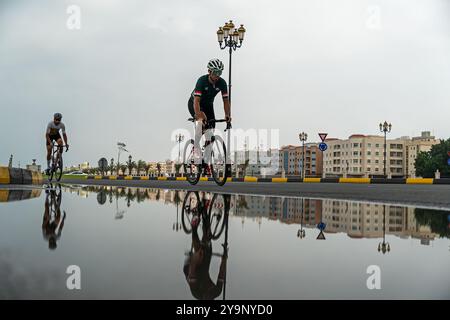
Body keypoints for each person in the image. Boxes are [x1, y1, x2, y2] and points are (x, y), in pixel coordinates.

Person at [188, 59, 231, 168]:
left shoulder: (222, 83)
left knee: (210, 132)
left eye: (220, 72)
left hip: (208, 105)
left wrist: (227, 115)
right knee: (201, 121)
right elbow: (196, 101)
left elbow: (225, 101)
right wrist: (198, 116)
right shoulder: (201, 81)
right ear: (209, 71)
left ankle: (206, 160)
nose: (217, 75)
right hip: (195, 103)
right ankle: (195, 149)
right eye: (215, 72)